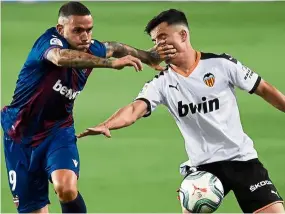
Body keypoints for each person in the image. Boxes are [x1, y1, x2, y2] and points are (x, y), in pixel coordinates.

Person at [77, 9, 285, 213]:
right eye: (155, 41)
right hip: (202, 169)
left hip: (241, 159)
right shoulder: (161, 83)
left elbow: (264, 89)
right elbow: (134, 109)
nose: (158, 46)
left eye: (163, 38)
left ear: (183, 35)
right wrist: (107, 124)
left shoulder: (221, 65)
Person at [1, 2, 176, 213]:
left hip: (58, 130)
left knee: (65, 188)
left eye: (89, 29)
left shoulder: (92, 48)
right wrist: (110, 64)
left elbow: (115, 47)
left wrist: (148, 57)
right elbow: (59, 57)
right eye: (78, 30)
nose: (85, 36)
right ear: (60, 29)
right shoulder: (49, 42)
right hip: (20, 134)